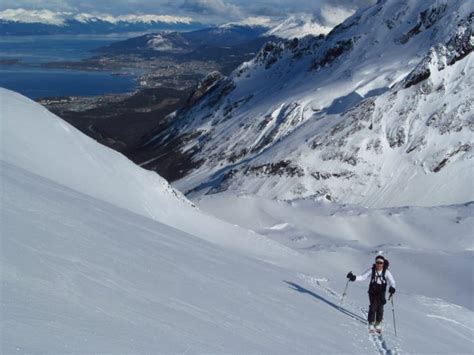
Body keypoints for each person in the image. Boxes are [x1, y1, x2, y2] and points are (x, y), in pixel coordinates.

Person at [346, 255, 396, 332]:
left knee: (380, 308)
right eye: (377, 262)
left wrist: (392, 287)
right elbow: (363, 277)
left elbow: (392, 281)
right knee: (373, 306)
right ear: (375, 263)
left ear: (383, 264)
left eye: (380, 263)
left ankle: (378, 323)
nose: (379, 264)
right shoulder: (371, 270)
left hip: (381, 291)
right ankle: (371, 323)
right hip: (372, 291)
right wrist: (354, 278)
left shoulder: (386, 272)